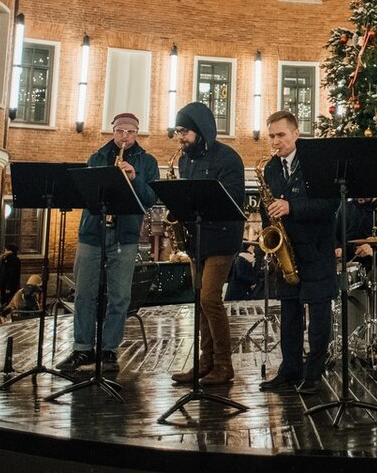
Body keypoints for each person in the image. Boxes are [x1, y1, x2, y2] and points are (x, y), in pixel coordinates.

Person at [56, 112, 158, 375]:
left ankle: (109, 349)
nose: (125, 137)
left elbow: (150, 199)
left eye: (130, 132)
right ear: (113, 131)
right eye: (120, 131)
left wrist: (135, 178)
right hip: (93, 233)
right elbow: (86, 192)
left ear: (137, 134)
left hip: (125, 235)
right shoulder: (97, 157)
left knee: (120, 296)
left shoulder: (147, 162)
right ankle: (82, 348)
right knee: (84, 293)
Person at [257, 111, 338, 395]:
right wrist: (269, 238)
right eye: (272, 136)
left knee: (318, 315)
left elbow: (330, 205)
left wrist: (292, 207)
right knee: (289, 313)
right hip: (287, 251)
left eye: (281, 135)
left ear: (296, 134)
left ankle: (314, 374)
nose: (275, 141)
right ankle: (290, 368)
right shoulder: (270, 168)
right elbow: (266, 208)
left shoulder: (316, 164)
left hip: (316, 249)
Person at [169, 101, 246, 386]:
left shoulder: (228, 158)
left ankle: (224, 365)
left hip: (223, 236)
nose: (181, 138)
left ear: (201, 130)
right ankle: (205, 363)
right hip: (196, 239)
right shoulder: (185, 160)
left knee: (210, 298)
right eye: (178, 131)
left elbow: (234, 199)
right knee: (199, 301)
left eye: (185, 131)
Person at [0, 243, 21, 310]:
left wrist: (9, 287)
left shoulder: (14, 260)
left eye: (6, 250)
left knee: (6, 299)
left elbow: (13, 274)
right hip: (1, 283)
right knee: (0, 298)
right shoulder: (4, 259)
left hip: (7, 285)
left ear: (10, 251)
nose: (5, 251)